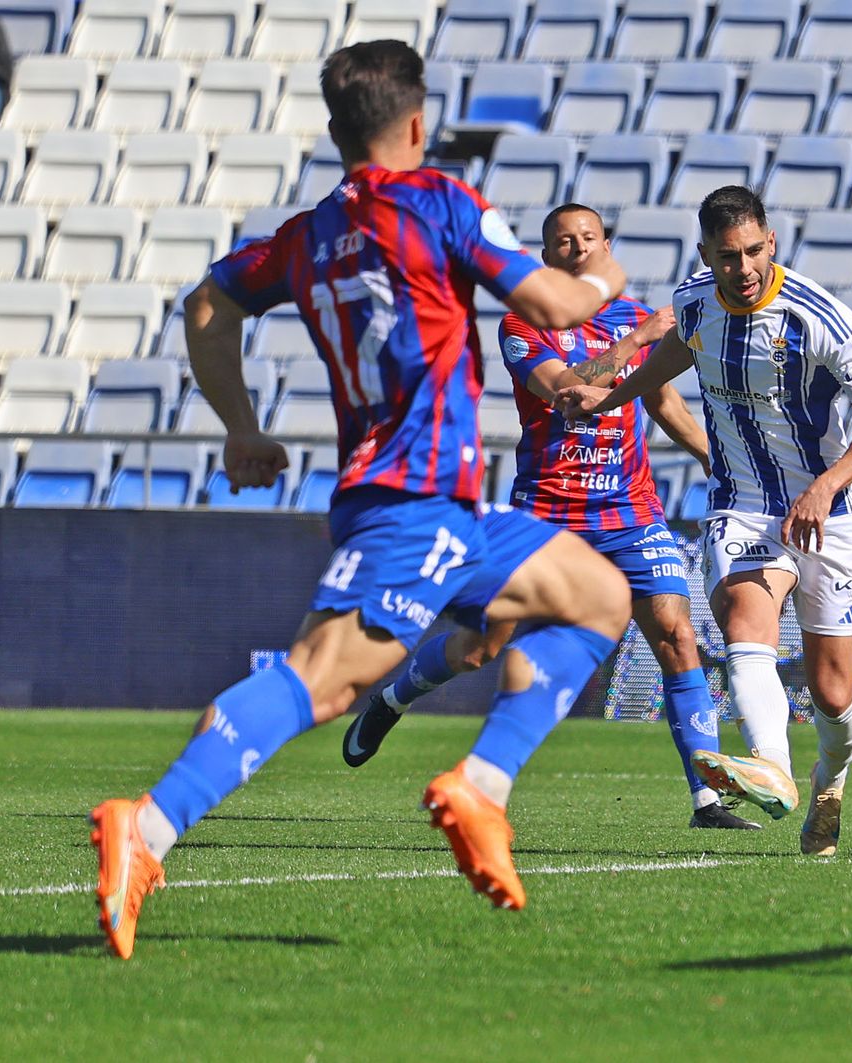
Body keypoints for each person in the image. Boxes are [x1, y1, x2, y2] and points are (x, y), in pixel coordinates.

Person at [87, 40, 637, 958]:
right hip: (413, 499)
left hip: (444, 505)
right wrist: (609, 281)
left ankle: (482, 789)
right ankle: (145, 827)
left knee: (595, 596)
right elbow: (554, 306)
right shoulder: (441, 205)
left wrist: (241, 425)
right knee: (325, 674)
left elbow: (206, 306)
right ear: (416, 123)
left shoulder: (304, 237)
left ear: (339, 131)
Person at [341, 201, 759, 831]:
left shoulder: (634, 316)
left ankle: (706, 799)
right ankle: (393, 698)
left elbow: (663, 402)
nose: (578, 248)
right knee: (487, 646)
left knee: (677, 636)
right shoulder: (523, 327)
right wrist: (638, 341)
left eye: (588, 237)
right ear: (547, 257)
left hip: (630, 508)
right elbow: (570, 395)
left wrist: (712, 459)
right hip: (548, 512)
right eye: (563, 241)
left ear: (606, 246)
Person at [559, 185, 852, 856]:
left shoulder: (818, 317)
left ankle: (828, 784)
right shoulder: (695, 305)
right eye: (728, 257)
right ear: (706, 257)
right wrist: (610, 396)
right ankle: (772, 767)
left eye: (753, 251)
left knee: (833, 691)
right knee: (746, 618)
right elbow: (671, 357)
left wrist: (827, 485)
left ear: (770, 243)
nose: (744, 268)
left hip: (830, 510)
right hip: (743, 500)